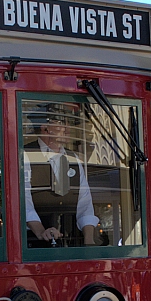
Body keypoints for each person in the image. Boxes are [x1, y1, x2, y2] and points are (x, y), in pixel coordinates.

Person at [23, 106, 98, 247]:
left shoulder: (73, 157)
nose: (67, 128)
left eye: (68, 123)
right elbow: (22, 200)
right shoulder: (26, 155)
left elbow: (85, 201)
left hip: (71, 242)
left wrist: (89, 241)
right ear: (45, 127)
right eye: (61, 123)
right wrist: (40, 232)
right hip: (34, 245)